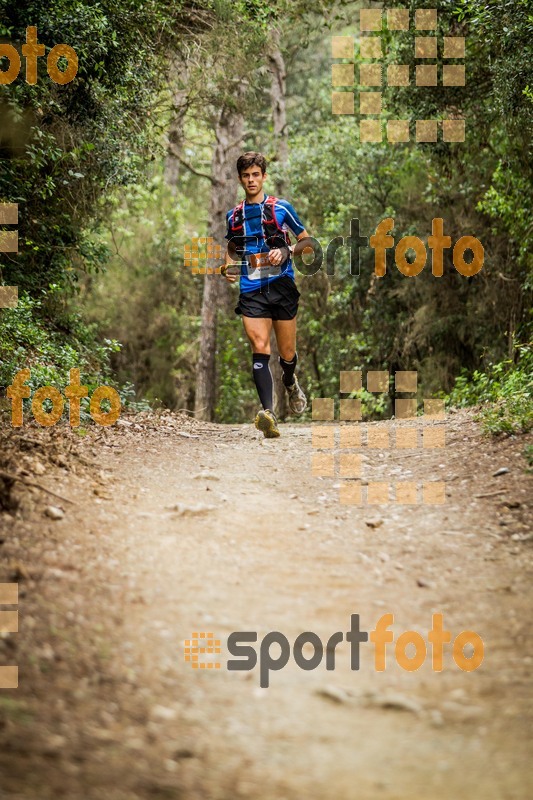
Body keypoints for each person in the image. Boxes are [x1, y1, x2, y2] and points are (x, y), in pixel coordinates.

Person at [221, 151, 309, 438]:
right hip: (251, 289)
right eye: (246, 176)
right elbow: (233, 249)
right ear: (240, 179)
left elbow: (307, 242)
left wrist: (286, 250)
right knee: (259, 346)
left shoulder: (281, 209)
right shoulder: (233, 216)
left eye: (255, 174)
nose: (251, 180)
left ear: (263, 176)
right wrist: (228, 266)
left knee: (287, 353)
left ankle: (290, 380)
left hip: (282, 285)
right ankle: (268, 414)